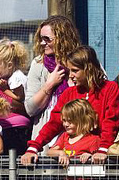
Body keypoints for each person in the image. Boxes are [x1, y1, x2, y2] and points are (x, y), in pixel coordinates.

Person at [20, 45, 119, 165]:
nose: (71, 75)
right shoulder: (69, 93)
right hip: (74, 157)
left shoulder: (109, 88)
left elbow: (111, 122)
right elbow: (54, 122)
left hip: (99, 154)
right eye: (69, 71)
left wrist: (103, 149)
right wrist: (34, 147)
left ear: (88, 68)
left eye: (75, 70)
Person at [24, 15, 81, 152]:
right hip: (46, 138)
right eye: (41, 39)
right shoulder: (38, 64)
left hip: (78, 136)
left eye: (47, 39)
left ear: (63, 38)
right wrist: (49, 85)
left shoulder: (83, 61)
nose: (43, 43)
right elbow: (30, 109)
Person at [0, 39, 33, 153]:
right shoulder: (13, 76)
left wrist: (4, 90)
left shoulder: (15, 78)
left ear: (9, 65)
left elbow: (19, 98)